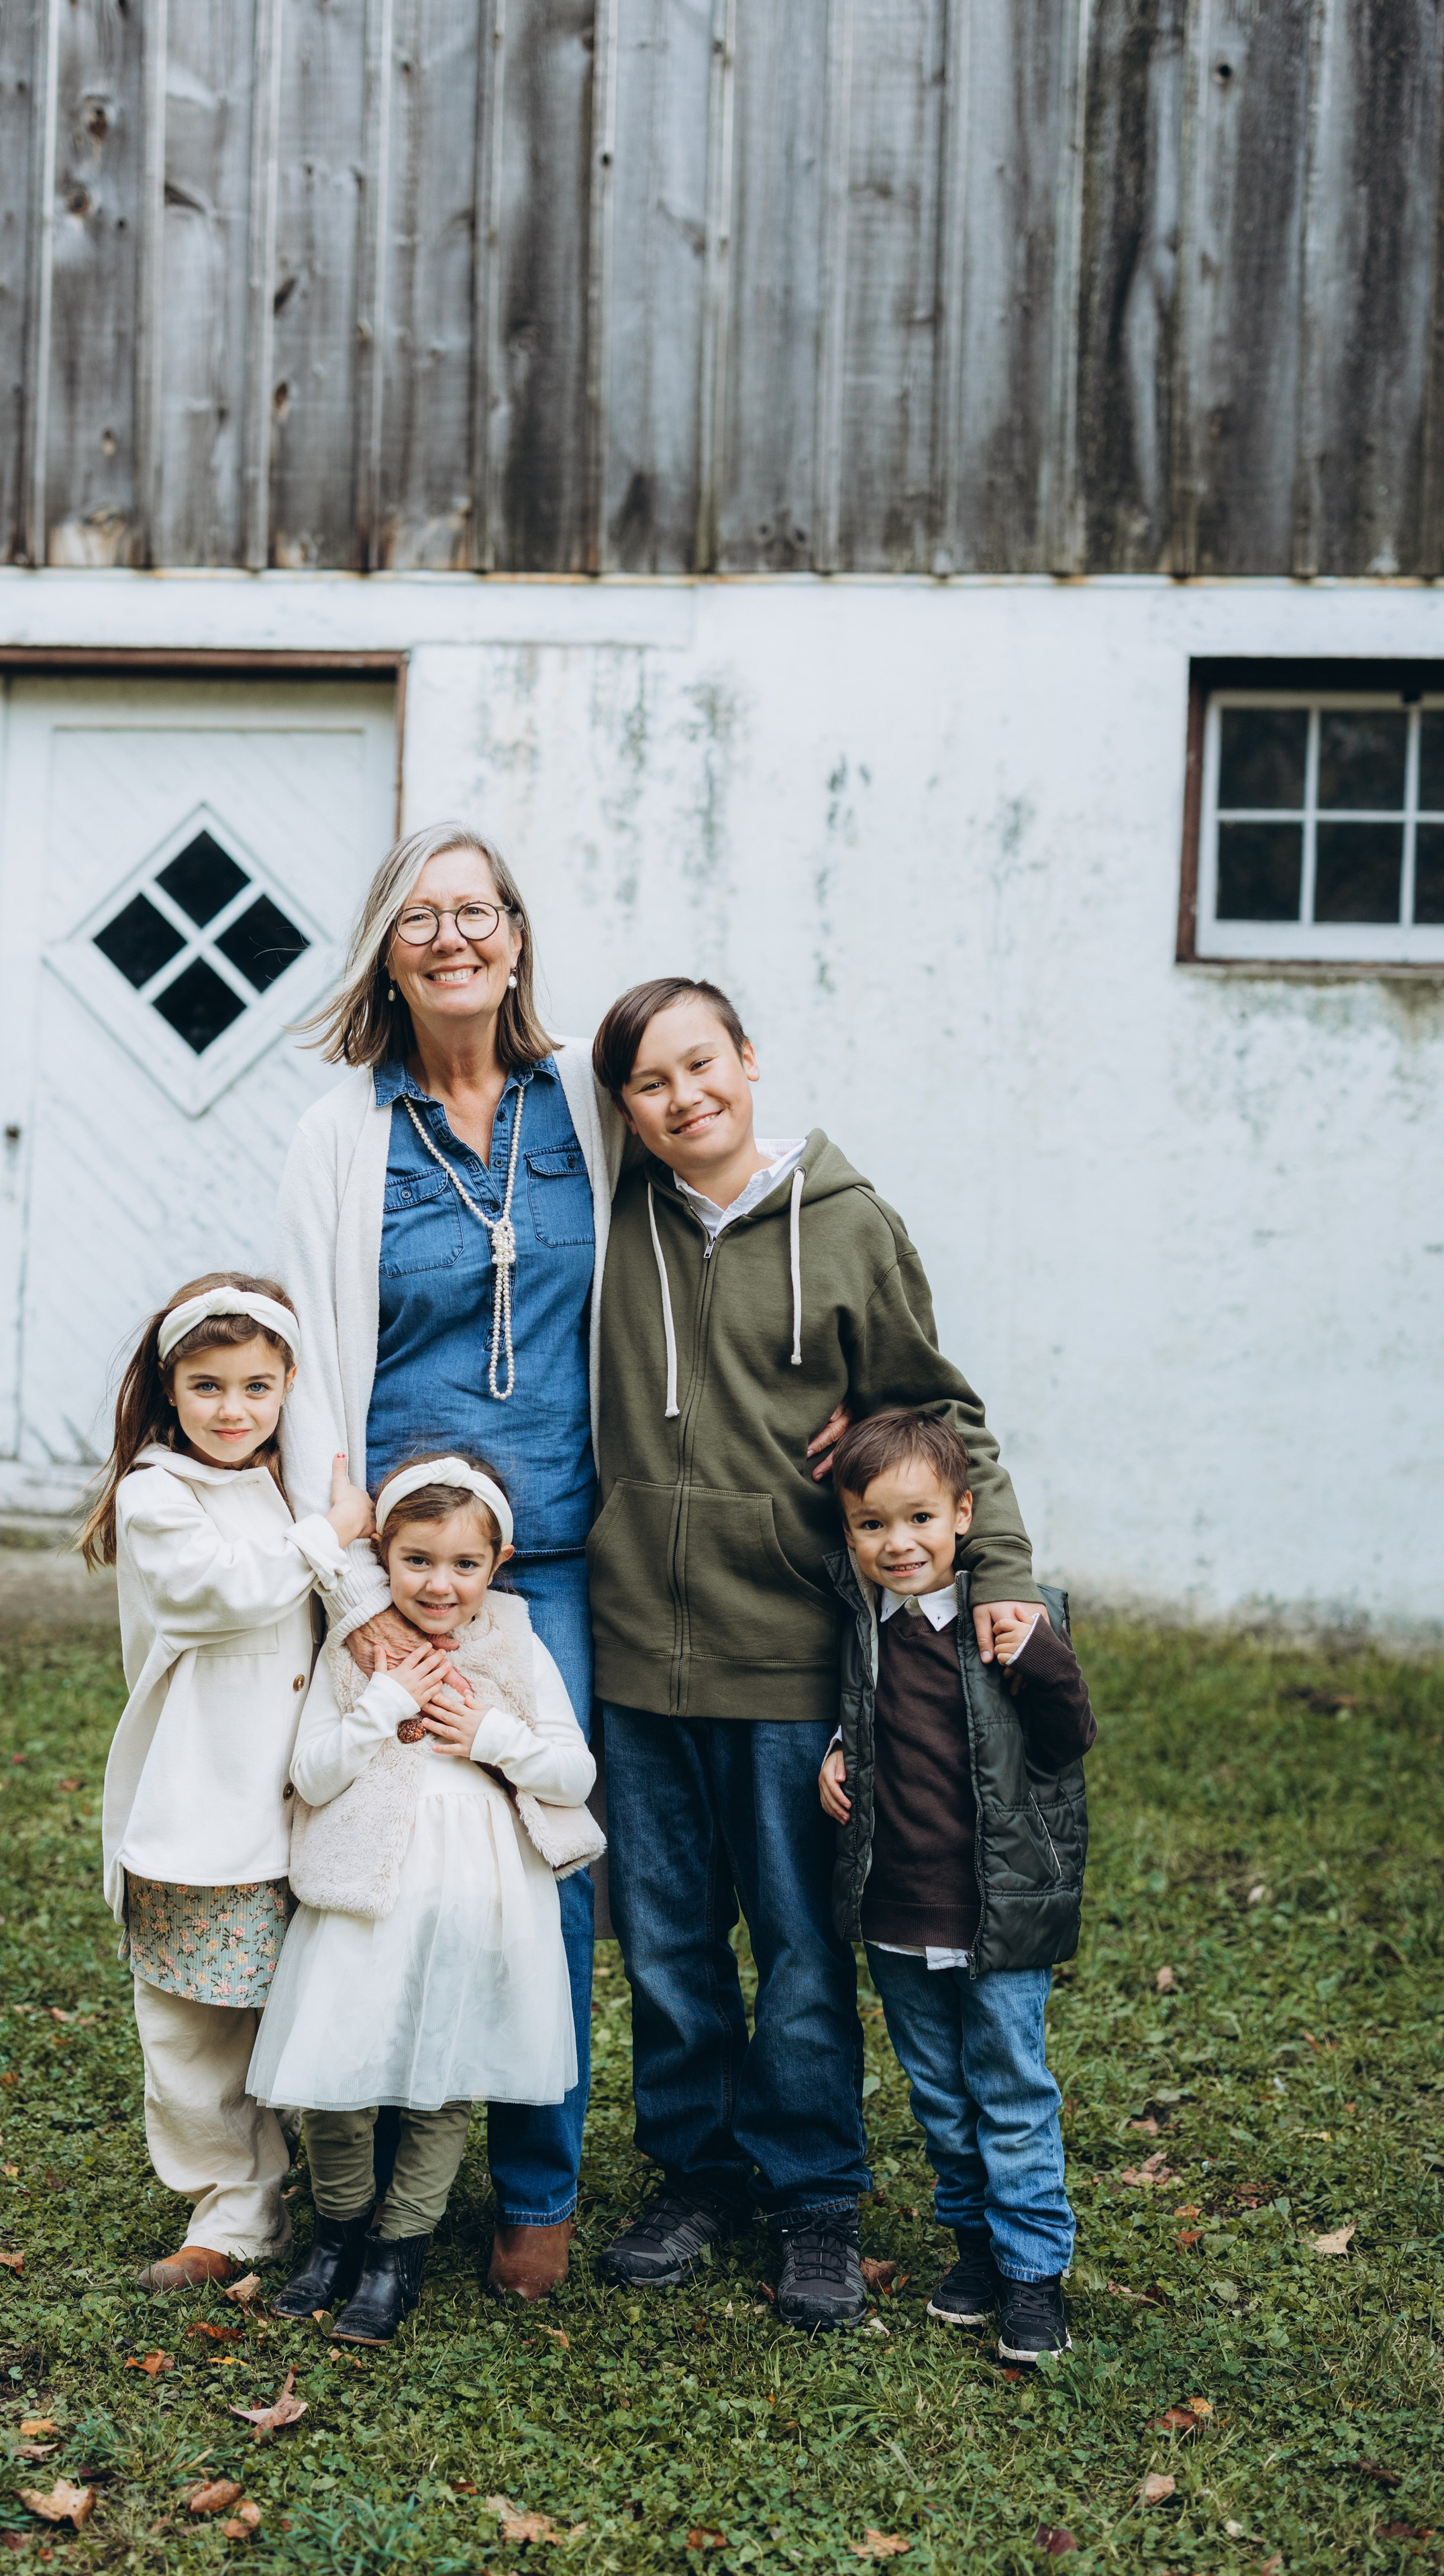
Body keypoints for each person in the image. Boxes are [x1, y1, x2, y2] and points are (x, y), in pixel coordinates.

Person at [587, 976, 1048, 2330]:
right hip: (633, 1655)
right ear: (623, 1111)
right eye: (650, 1084)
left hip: (787, 1651)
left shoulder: (847, 1230)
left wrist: (1001, 1575)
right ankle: (695, 2170)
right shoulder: (609, 1223)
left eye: (701, 1064)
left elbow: (931, 1412)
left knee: (796, 1946)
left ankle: (813, 2196)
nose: (684, 1099)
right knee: (667, 1945)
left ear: (746, 1059)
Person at [272, 822, 622, 2301]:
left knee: (543, 1866)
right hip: (401, 1570)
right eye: (418, 918)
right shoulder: (341, 1135)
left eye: (476, 911)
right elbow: (305, 1379)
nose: (452, 937)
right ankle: (346, 2192)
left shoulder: (586, 1111)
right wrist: (354, 1603)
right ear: (383, 951)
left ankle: (531, 2190)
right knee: (371, 1864)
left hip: (551, 1559)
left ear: (518, 935)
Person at [248, 1454, 601, 2345]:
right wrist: (382, 1703)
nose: (439, 1585)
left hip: (473, 1895)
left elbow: (575, 1769)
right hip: (365, 1891)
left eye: (463, 1565)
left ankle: (398, 2253)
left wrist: (494, 1736)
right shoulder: (355, 1647)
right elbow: (310, 1773)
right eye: (416, 1561)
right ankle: (337, 2237)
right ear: (383, 1553)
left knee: (443, 2082)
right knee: (337, 2075)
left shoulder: (516, 1645)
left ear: (500, 1560)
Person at [82, 1273, 375, 2291]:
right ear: (171, 1391)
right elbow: (222, 1598)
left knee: (302, 2002)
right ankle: (234, 2208)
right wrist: (330, 1533)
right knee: (195, 2020)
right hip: (199, 1803)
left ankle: (347, 2188)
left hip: (305, 1794)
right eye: (208, 1386)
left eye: (258, 1386)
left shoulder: (287, 1483)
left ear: (291, 1384)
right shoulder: (158, 1492)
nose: (234, 1410)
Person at [818, 1409, 1095, 2362]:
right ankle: (976, 2248)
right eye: (870, 1525)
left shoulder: (1011, 1624)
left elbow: (1067, 1744)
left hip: (996, 1911)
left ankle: (1032, 2278)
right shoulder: (860, 1625)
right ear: (848, 1531)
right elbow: (862, 1717)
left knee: (1010, 2091)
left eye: (920, 1519)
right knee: (940, 2098)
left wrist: (1043, 1659)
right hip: (898, 1908)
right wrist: (835, 1754)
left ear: (964, 1514)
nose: (898, 1544)